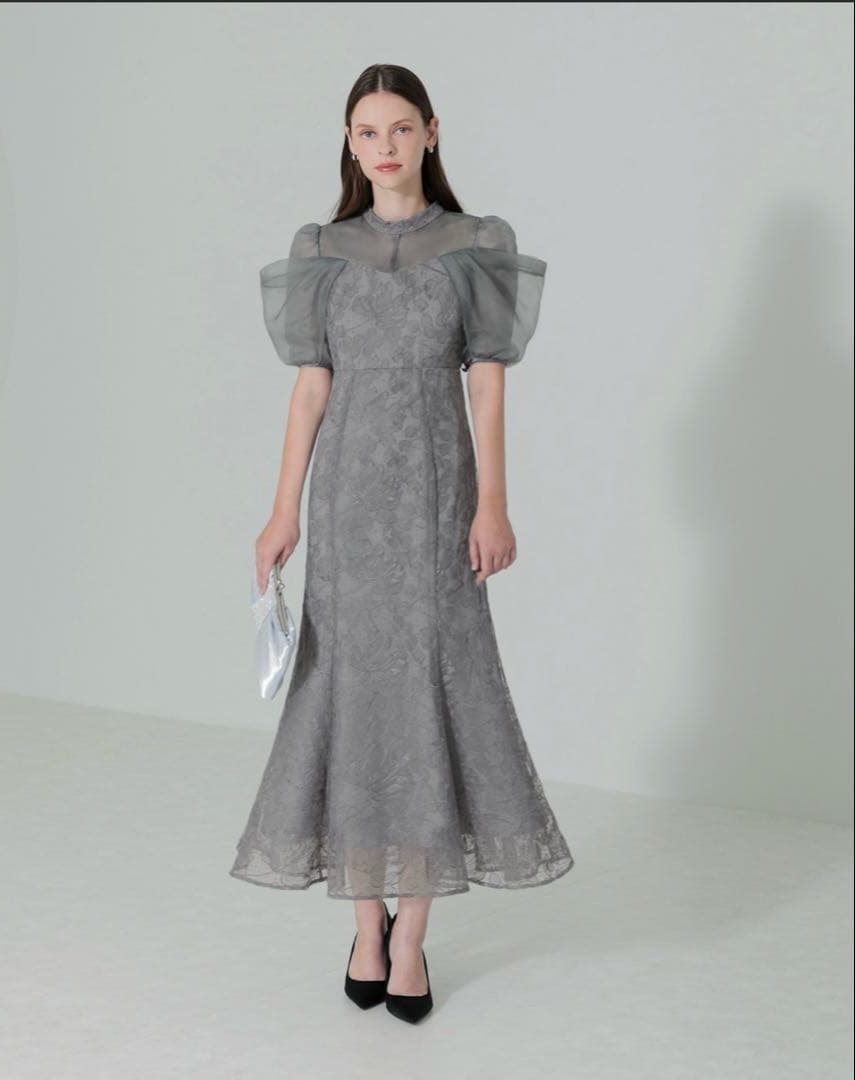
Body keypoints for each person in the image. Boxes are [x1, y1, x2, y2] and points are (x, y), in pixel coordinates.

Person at [229, 63, 574, 1024]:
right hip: (345, 504)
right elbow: (310, 387)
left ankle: (412, 934)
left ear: (430, 131)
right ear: (349, 143)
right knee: (350, 696)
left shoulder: (476, 243)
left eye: (398, 128)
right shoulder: (320, 249)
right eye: (364, 131)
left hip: (434, 499)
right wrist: (282, 512)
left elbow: (487, 383)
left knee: (429, 694)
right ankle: (364, 925)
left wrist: (492, 504)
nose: (382, 147)